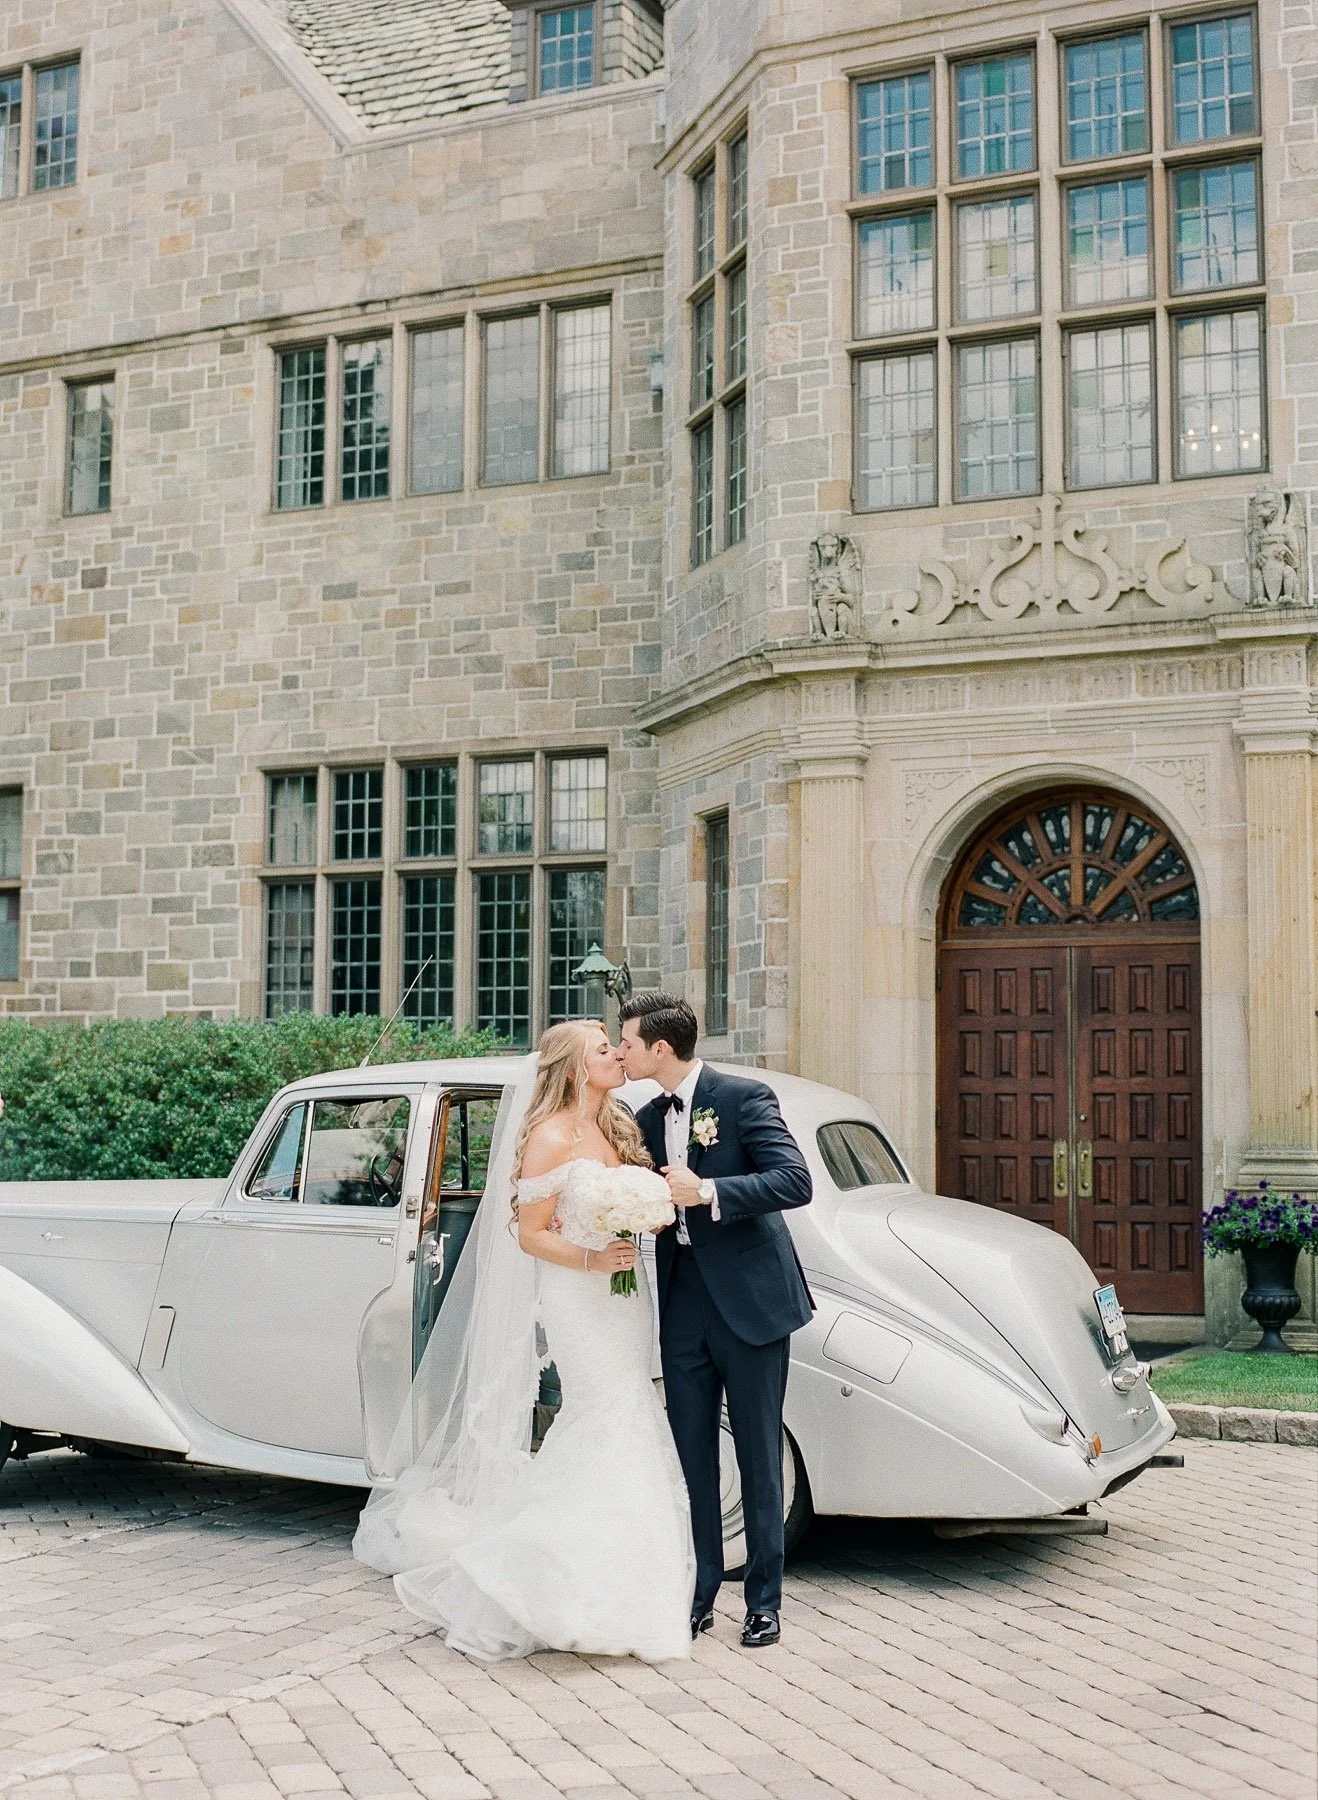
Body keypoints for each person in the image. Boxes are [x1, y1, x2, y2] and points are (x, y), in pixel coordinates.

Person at [352, 1020, 695, 1662]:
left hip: (625, 1294)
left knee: (630, 1406)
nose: (617, 1056)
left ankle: (614, 1584)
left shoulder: (619, 1124)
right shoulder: (548, 1134)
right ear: (573, 1068)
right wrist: (593, 1260)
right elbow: (530, 1233)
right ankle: (539, 1579)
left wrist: (636, 1220)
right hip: (578, 1291)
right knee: (603, 1411)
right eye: (604, 1051)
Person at [619, 993, 813, 1649]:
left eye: (628, 1042)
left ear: (660, 1050)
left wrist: (706, 1192)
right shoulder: (644, 1117)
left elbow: (792, 1181)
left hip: (752, 1303)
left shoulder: (742, 1098)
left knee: (759, 1458)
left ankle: (764, 1604)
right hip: (681, 1302)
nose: (622, 1052)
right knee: (693, 1457)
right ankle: (700, 1594)